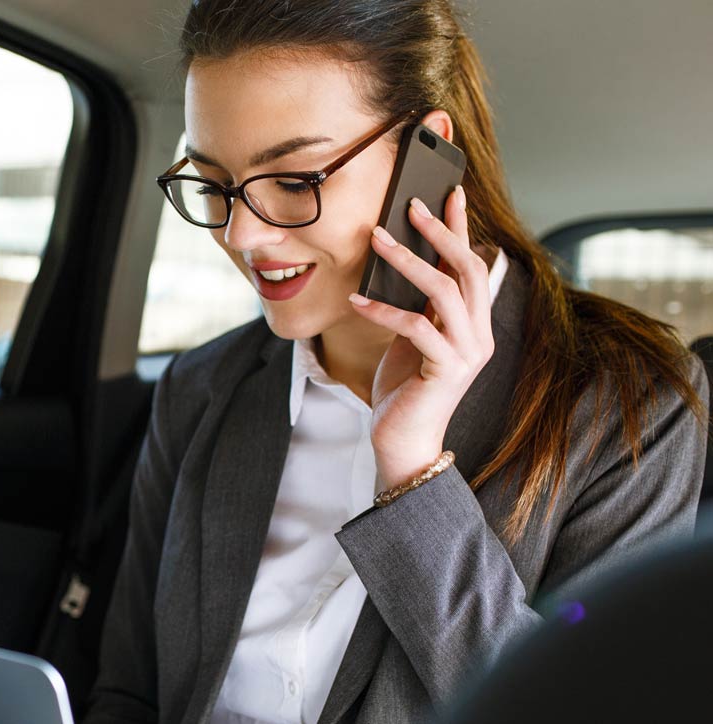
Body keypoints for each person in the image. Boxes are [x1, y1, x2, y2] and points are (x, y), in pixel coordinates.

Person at [83, 1, 708, 723]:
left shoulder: (630, 402)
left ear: (426, 153)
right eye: (214, 183)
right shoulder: (202, 389)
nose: (243, 235)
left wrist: (413, 476)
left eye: (296, 181)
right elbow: (130, 694)